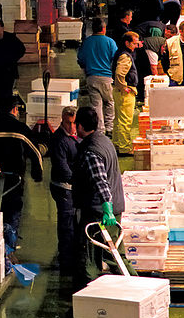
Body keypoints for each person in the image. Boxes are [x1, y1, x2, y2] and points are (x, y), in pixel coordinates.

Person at [72, 106, 135, 295]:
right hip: (112, 208)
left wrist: (106, 206)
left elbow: (101, 181)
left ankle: (91, 298)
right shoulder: (105, 140)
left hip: (99, 213)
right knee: (115, 254)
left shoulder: (91, 151)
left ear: (81, 126)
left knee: (94, 258)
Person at [0, 96, 43, 251]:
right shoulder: (21, 129)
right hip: (16, 179)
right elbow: (36, 152)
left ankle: (0, 245)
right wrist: (37, 173)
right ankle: (9, 249)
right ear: (14, 109)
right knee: (13, 212)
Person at [49, 106, 79, 275]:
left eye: (74, 123)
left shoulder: (75, 137)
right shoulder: (59, 140)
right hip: (63, 188)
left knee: (72, 222)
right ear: (62, 120)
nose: (71, 127)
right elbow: (63, 168)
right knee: (66, 224)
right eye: (68, 123)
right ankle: (65, 260)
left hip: (72, 187)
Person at [77, 18, 118, 135]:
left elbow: (80, 59)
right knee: (109, 102)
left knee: (96, 105)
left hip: (91, 77)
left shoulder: (87, 42)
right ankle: (109, 128)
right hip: (107, 77)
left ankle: (100, 130)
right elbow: (115, 59)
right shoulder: (110, 42)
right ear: (104, 29)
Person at [112, 31, 141, 155]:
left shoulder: (122, 52)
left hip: (118, 91)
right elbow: (119, 73)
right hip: (125, 92)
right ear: (127, 43)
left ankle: (117, 144)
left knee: (118, 120)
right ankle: (124, 147)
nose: (135, 46)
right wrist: (124, 86)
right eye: (134, 43)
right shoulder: (125, 56)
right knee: (125, 121)